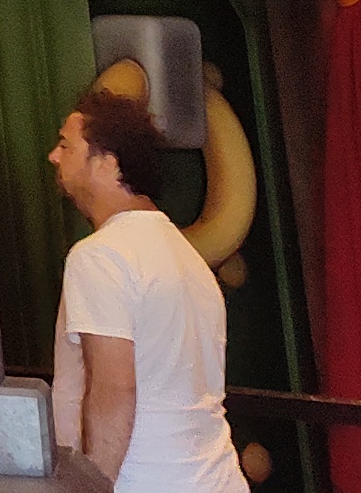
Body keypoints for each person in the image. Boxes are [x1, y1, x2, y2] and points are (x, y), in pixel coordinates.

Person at [45, 83, 243, 493]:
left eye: (66, 146)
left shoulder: (99, 256)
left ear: (108, 164)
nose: (54, 157)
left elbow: (114, 391)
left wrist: (93, 489)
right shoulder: (188, 258)